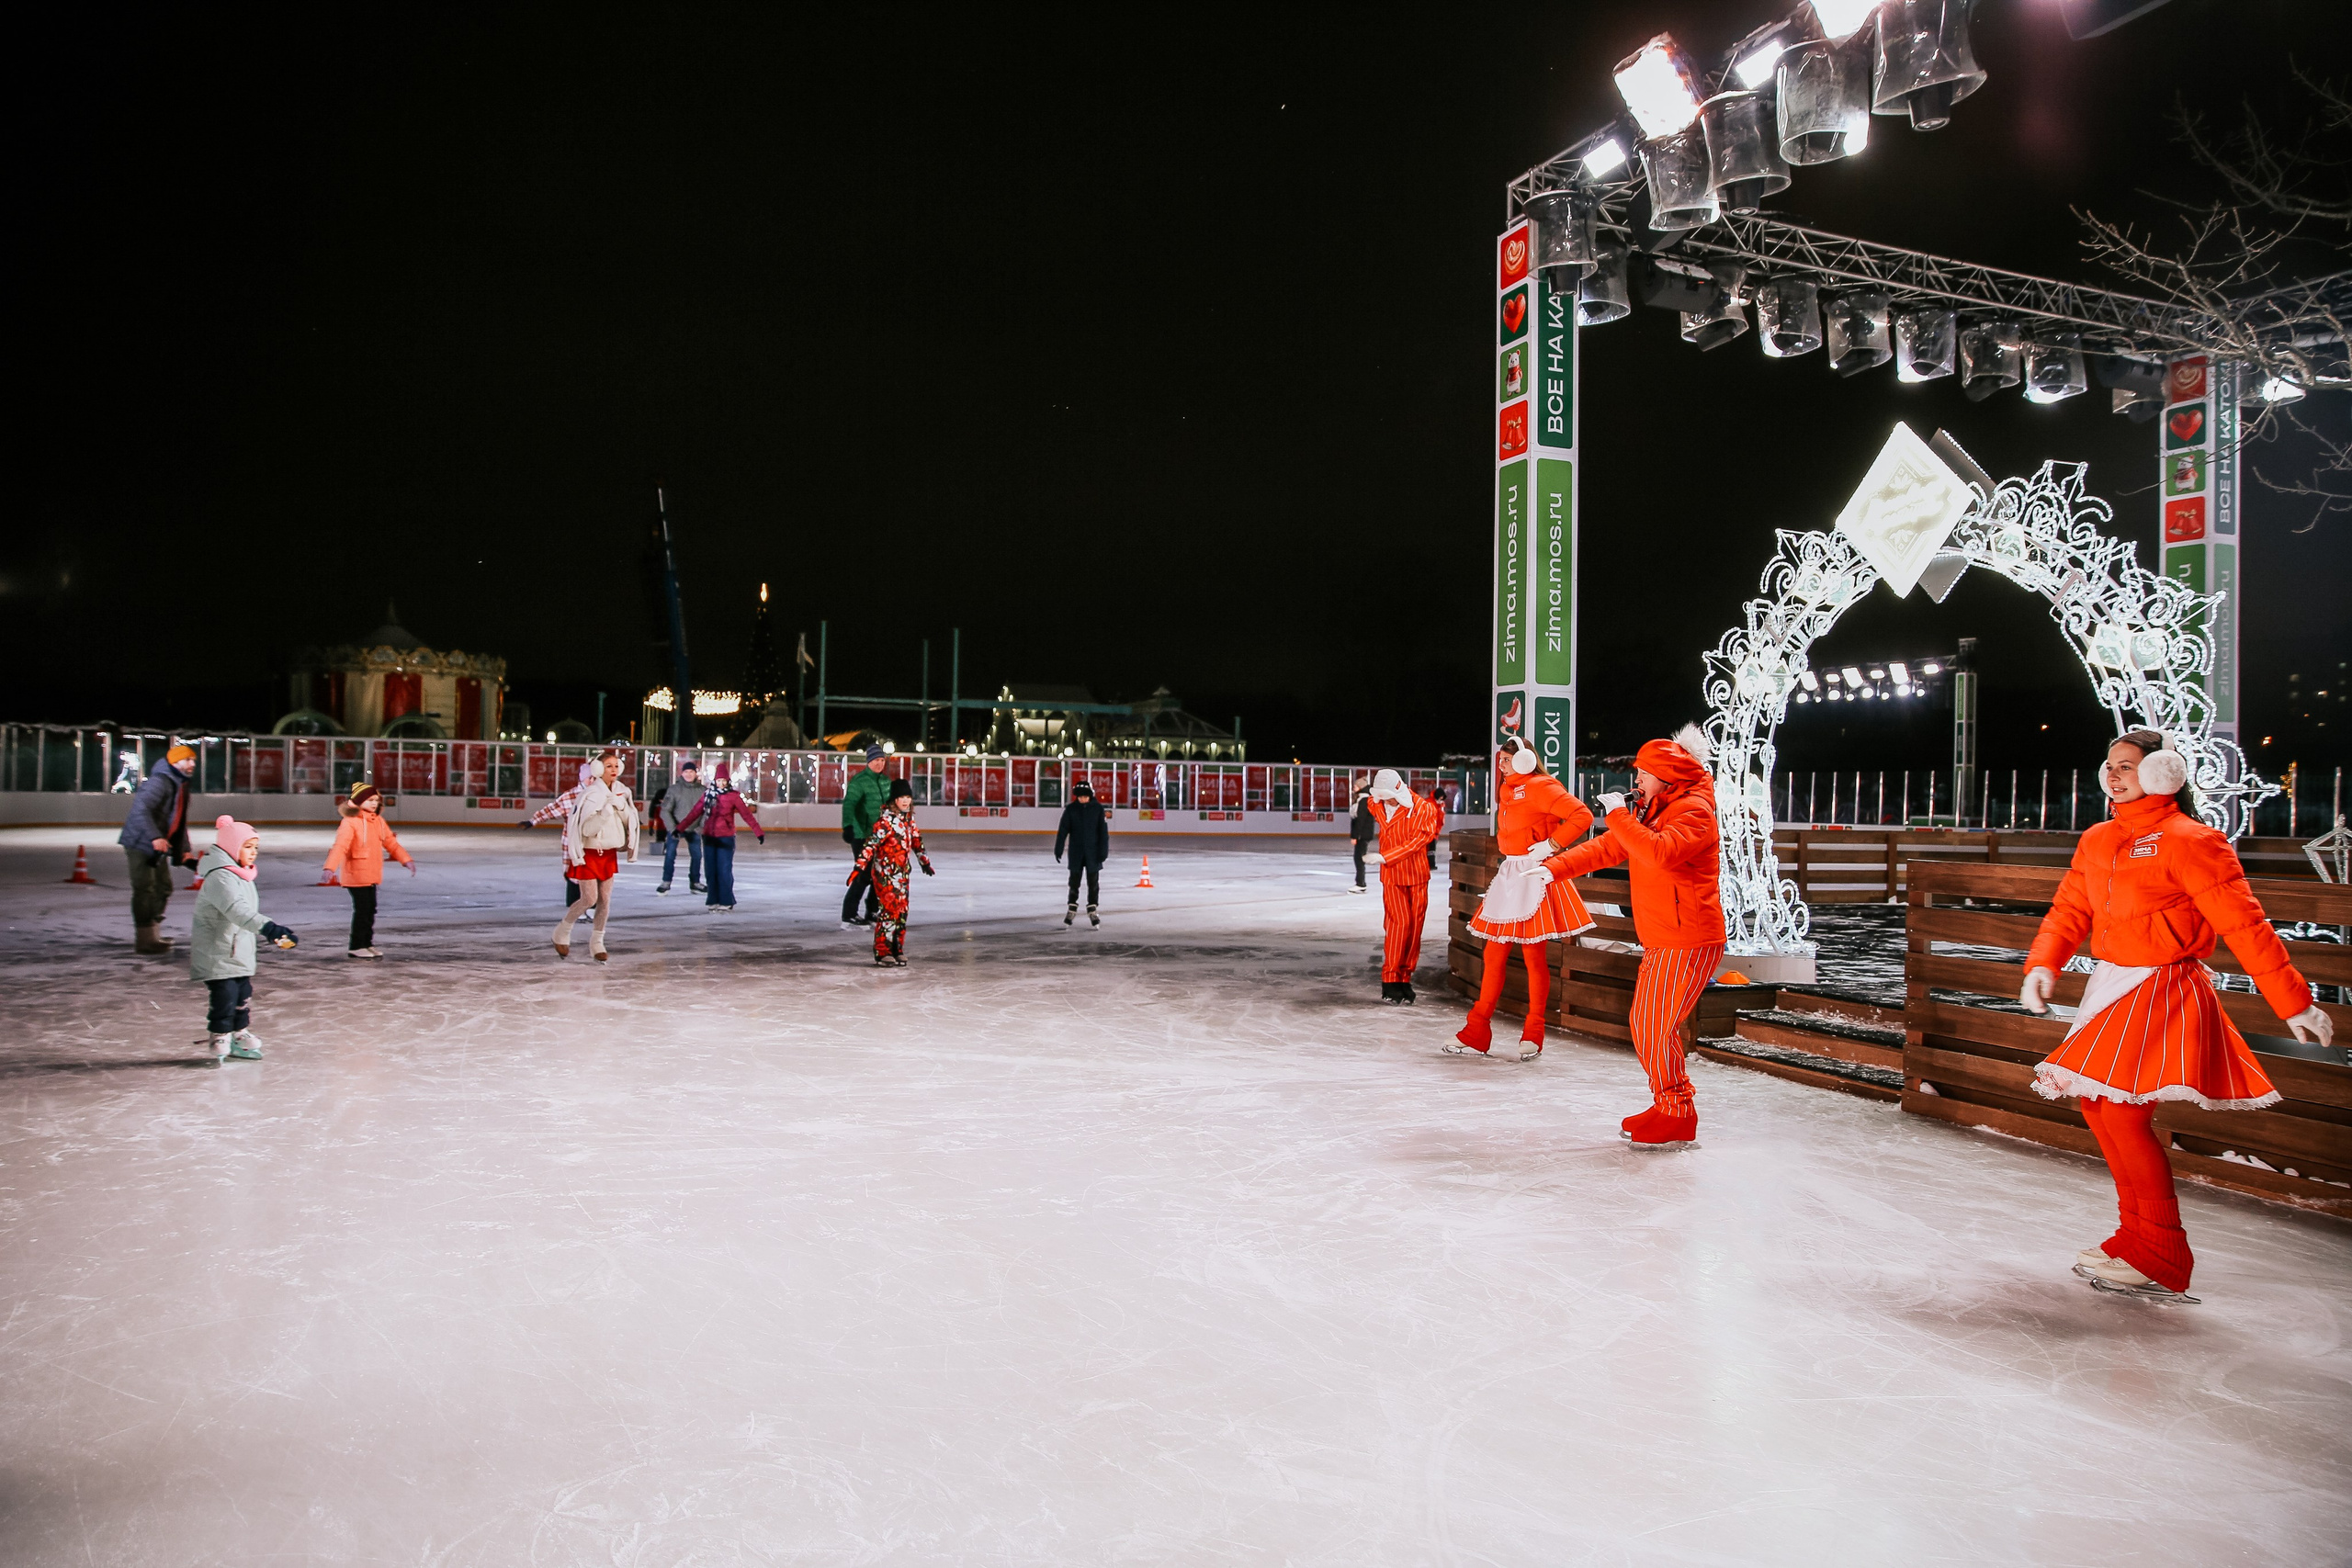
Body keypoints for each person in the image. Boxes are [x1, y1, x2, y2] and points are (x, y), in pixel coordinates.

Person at [2019, 729, 2334, 1302]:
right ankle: (2137, 1235)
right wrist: (2044, 963)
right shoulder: (2098, 839)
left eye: (2129, 767)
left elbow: (2245, 926)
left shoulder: (2191, 840)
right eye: (2109, 765)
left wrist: (2293, 1000)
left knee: (2120, 1116)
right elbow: (2071, 907)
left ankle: (2161, 1251)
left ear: (2163, 774)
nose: (2115, 776)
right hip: (2112, 982)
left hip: (2162, 984)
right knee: (2099, 1108)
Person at [1548, 725, 1724, 1150]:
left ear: (1666, 776)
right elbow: (1611, 848)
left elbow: (1659, 852)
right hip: (1666, 935)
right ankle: (1672, 1106)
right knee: (1647, 1025)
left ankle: (1677, 1110)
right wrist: (1551, 868)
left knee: (1651, 1026)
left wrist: (1620, 816)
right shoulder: (1658, 808)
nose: (1637, 782)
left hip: (1689, 937)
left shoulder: (1694, 810)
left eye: (1643, 775)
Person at [1449, 738, 1594, 1060]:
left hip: (1534, 874)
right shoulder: (1506, 790)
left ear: (1526, 760)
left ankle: (1534, 1032)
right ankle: (1476, 1030)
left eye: (1506, 759)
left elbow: (1581, 815)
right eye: (1499, 759)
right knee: (1493, 955)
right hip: (1510, 873)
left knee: (1533, 956)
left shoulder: (1542, 785)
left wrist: (1552, 845)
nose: (1500, 765)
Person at [188, 815, 297, 1065]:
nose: (253, 852)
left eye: (255, 847)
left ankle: (238, 1034)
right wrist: (269, 928)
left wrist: (270, 933)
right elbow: (237, 910)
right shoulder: (221, 877)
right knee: (225, 995)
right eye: (247, 846)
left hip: (238, 949)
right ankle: (219, 1034)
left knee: (242, 993)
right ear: (231, 847)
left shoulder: (241, 875)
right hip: (219, 950)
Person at [1364, 769, 1445, 1004]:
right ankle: (1390, 979)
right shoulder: (1377, 804)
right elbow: (1370, 801)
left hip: (1417, 876)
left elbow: (1417, 843)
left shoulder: (1424, 809)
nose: (1385, 800)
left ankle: (1404, 978)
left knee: (1414, 929)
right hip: (1392, 878)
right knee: (1399, 925)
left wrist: (1385, 857)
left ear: (1398, 790)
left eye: (1388, 795)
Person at [554, 750, 639, 961]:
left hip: (608, 853)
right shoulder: (591, 794)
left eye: (616, 765)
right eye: (608, 766)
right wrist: (604, 814)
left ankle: (597, 941)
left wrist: (622, 809)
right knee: (588, 898)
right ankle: (562, 931)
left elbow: (631, 821)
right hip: (589, 853)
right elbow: (585, 829)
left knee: (605, 900)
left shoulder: (622, 792)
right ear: (598, 769)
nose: (613, 769)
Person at [118, 743, 198, 953]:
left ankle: (152, 933)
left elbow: (178, 820)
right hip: (140, 842)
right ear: (175, 762)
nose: (192, 764)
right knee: (145, 889)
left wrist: (184, 850)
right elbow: (140, 810)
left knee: (163, 888)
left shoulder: (179, 783)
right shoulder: (160, 782)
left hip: (158, 845)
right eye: (188, 760)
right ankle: (144, 939)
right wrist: (155, 837)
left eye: (194, 760)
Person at [322, 783, 414, 959]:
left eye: (376, 800)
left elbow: (391, 843)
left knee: (370, 910)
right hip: (356, 874)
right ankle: (356, 946)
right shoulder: (350, 823)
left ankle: (367, 943)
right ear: (358, 801)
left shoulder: (378, 821)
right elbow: (340, 846)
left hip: (371, 874)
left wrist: (406, 860)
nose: (374, 803)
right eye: (370, 800)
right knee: (363, 911)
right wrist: (330, 867)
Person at [851, 779, 933, 966]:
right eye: (901, 797)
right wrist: (859, 866)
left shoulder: (908, 820)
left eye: (908, 797)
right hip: (885, 874)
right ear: (894, 800)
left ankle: (897, 947)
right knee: (889, 910)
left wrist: (924, 862)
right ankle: (882, 951)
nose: (906, 801)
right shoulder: (885, 822)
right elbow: (870, 845)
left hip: (902, 874)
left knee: (902, 911)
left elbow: (916, 841)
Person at [695, 761, 765, 911]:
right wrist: (680, 828)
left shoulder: (734, 796)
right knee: (710, 870)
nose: (721, 783)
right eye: (718, 780)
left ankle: (727, 900)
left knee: (724, 870)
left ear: (728, 781)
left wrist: (758, 832)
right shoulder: (708, 795)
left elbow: (747, 815)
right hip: (708, 837)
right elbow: (694, 813)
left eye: (723, 781)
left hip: (726, 837)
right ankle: (713, 899)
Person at [527, 761, 597, 908]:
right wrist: (533, 821)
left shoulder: (600, 796)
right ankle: (575, 906)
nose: (591, 781)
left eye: (594, 778)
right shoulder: (570, 797)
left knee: (593, 874)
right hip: (574, 843)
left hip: (594, 843)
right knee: (574, 875)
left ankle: (591, 906)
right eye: (589, 778)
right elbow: (551, 810)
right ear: (581, 778)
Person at [841, 744, 891, 926]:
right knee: (864, 874)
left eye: (882, 760)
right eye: (876, 760)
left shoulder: (885, 782)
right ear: (869, 761)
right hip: (861, 834)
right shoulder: (859, 781)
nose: (879, 764)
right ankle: (849, 913)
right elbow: (849, 804)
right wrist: (847, 826)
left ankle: (872, 910)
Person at [1055, 780, 1110, 926]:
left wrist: (1103, 851)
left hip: (1093, 853)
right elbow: (1063, 830)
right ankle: (1071, 908)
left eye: (1085, 797)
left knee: (1093, 883)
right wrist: (1059, 848)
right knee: (1074, 882)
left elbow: (1103, 833)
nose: (1082, 799)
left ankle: (1093, 910)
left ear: (1090, 796)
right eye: (1080, 797)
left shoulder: (1098, 809)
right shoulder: (1071, 809)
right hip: (1076, 852)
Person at [655, 758, 706, 895]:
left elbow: (707, 811)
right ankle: (666, 882)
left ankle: (695, 882)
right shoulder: (674, 789)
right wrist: (673, 829)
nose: (689, 774)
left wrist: (700, 827)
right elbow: (665, 810)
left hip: (694, 829)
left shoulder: (702, 791)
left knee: (697, 855)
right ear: (682, 773)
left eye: (691, 771)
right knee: (670, 854)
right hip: (676, 828)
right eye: (686, 771)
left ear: (696, 774)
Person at [1349, 786, 1377, 893]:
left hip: (1363, 834)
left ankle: (1360, 883)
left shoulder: (1364, 801)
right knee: (1359, 858)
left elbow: (1360, 820)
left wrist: (1355, 836)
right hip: (1364, 834)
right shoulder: (1363, 799)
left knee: (1359, 858)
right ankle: (1360, 883)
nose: (1354, 788)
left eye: (1355, 786)